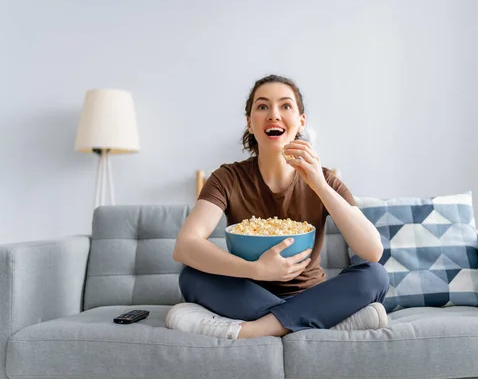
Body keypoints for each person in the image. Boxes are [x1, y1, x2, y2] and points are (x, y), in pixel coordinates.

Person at [166, 74, 389, 339]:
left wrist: (319, 184)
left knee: (374, 275)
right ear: (250, 123)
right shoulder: (227, 178)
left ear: (301, 121)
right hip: (246, 292)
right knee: (191, 276)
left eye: (285, 106)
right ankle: (318, 319)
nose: (274, 114)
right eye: (262, 106)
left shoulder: (324, 178)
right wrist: (255, 270)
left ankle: (257, 329)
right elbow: (185, 246)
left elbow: (372, 250)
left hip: (310, 293)